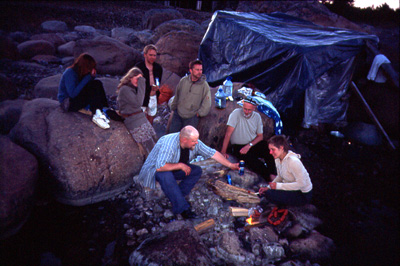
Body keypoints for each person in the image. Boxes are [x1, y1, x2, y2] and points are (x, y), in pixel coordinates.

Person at [136, 125, 239, 219]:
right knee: (166, 175)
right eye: (194, 141)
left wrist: (230, 165)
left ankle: (178, 197)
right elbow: (160, 167)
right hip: (155, 169)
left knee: (196, 171)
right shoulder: (169, 143)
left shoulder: (194, 142)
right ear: (184, 139)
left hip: (174, 167)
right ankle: (182, 208)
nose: (197, 142)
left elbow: (213, 153)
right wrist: (180, 165)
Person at [221, 98, 277, 180]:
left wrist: (249, 145)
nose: (246, 112)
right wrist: (223, 152)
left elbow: (260, 136)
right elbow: (228, 134)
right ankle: (269, 179)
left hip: (251, 144)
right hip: (238, 146)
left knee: (267, 148)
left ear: (254, 108)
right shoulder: (236, 113)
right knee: (254, 162)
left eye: (249, 110)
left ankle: (273, 174)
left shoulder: (257, 117)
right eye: (245, 109)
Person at [57, 53, 110, 129]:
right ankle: (97, 114)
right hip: (68, 103)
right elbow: (72, 94)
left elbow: (86, 89)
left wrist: (91, 78)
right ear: (86, 66)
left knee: (97, 83)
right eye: (91, 67)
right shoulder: (70, 73)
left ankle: (103, 109)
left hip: (75, 99)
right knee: (94, 85)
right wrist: (88, 77)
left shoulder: (81, 73)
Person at [258, 135, 313, 206]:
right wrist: (268, 187)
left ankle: (284, 207)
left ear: (281, 148)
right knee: (265, 192)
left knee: (270, 194)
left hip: (302, 194)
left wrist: (277, 186)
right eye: (270, 150)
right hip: (292, 188)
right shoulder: (278, 159)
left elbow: (301, 184)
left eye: (273, 149)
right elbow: (280, 176)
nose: (270, 152)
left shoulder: (294, 162)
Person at [117, 67, 157, 157]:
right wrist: (142, 83)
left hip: (140, 119)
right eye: (138, 78)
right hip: (134, 122)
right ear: (130, 77)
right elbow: (138, 103)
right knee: (150, 150)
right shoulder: (125, 89)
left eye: (141, 79)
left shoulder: (131, 88)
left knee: (155, 144)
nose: (139, 81)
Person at [168, 59, 211, 133]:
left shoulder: (204, 85)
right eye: (197, 70)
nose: (199, 72)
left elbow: (207, 102)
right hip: (178, 114)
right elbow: (177, 95)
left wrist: (199, 114)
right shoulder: (183, 81)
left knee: (187, 140)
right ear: (191, 70)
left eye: (201, 70)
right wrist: (173, 108)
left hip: (191, 117)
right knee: (172, 135)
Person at [135, 44, 163, 124]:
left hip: (153, 96)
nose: (153, 57)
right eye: (150, 55)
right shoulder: (138, 67)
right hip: (141, 97)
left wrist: (157, 89)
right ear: (145, 55)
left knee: (151, 119)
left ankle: (149, 135)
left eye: (154, 55)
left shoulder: (158, 68)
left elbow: (158, 81)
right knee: (139, 120)